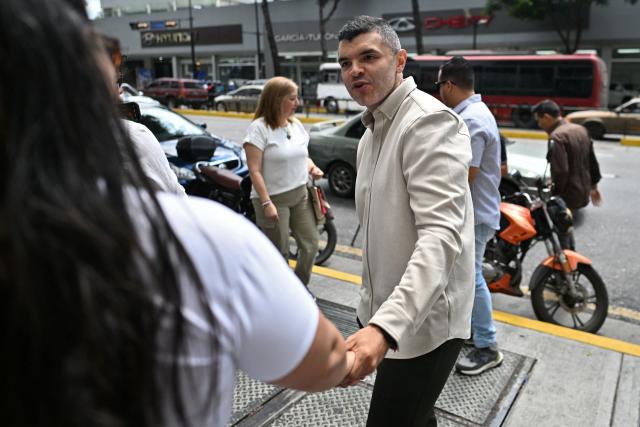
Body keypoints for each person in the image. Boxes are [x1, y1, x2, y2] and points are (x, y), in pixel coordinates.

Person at [0, 1, 354, 426]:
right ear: (75, 66)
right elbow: (325, 361)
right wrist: (369, 345)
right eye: (110, 53)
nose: (120, 78)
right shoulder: (199, 241)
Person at [336, 16, 475, 426]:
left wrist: (384, 327)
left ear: (400, 61)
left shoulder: (429, 122)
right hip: (387, 316)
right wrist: (372, 314)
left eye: (368, 57)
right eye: (345, 63)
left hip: (424, 327)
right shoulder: (370, 132)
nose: (354, 70)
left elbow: (440, 237)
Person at [438, 56, 504, 375]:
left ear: (450, 84)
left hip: (475, 214)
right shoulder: (475, 113)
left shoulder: (471, 120)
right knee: (465, 277)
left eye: (440, 86)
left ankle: (487, 347)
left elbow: (468, 174)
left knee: (472, 278)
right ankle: (476, 334)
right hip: (479, 211)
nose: (439, 94)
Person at [243, 77, 324, 286]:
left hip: (300, 194)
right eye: (292, 98)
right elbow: (254, 170)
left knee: (311, 245)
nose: (297, 103)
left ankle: (299, 288)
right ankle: (281, 293)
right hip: (273, 199)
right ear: (277, 100)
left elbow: (302, 155)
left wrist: (312, 168)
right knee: (280, 253)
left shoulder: (295, 125)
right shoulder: (258, 129)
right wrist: (266, 202)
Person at [532, 99, 603, 210]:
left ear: (547, 117)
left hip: (568, 197)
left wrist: (554, 198)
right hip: (584, 192)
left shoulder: (557, 137)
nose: (539, 125)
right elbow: (592, 161)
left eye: (539, 121)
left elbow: (560, 171)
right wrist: (594, 187)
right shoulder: (581, 129)